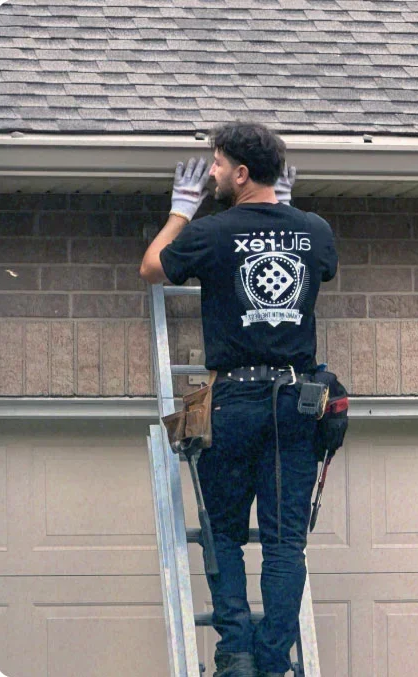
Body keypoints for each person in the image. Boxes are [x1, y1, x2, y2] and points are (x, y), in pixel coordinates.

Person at [139, 121, 338, 677]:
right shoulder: (314, 229)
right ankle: (274, 661)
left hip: (234, 401)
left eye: (218, 165)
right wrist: (286, 219)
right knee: (282, 544)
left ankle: (237, 653)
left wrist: (182, 209)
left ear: (242, 173)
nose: (213, 174)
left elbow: (152, 267)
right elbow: (316, 264)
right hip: (297, 404)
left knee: (223, 533)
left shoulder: (212, 231)